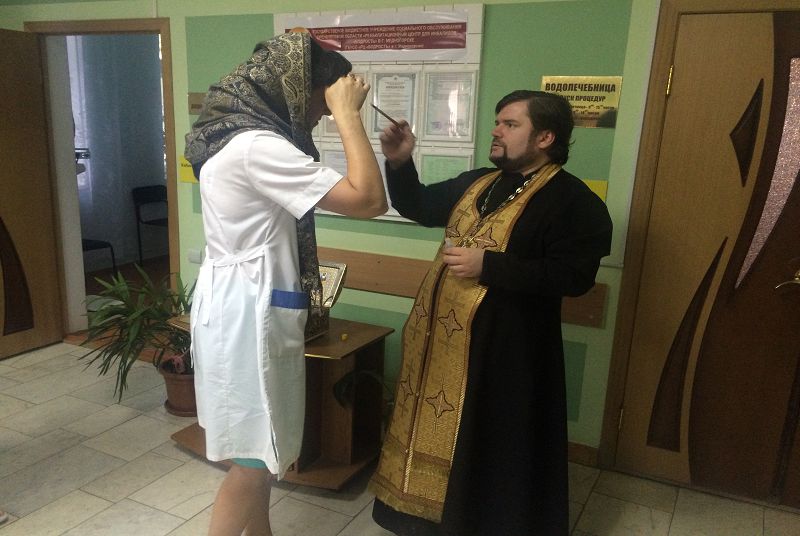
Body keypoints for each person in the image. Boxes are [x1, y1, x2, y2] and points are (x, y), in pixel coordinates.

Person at [369, 90, 613, 535]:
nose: (496, 131)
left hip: (508, 354)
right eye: (498, 122)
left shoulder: (574, 202)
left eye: (510, 124)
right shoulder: (479, 182)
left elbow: (574, 277)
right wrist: (400, 163)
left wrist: (491, 266)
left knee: (490, 444)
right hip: (440, 347)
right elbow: (420, 205)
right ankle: (420, 518)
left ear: (545, 137)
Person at [184, 30, 386, 536]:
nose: (319, 115)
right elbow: (368, 200)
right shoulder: (257, 147)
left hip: (241, 302)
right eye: (321, 102)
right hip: (247, 312)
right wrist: (349, 116)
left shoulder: (237, 138)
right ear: (296, 90)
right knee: (253, 462)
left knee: (259, 449)